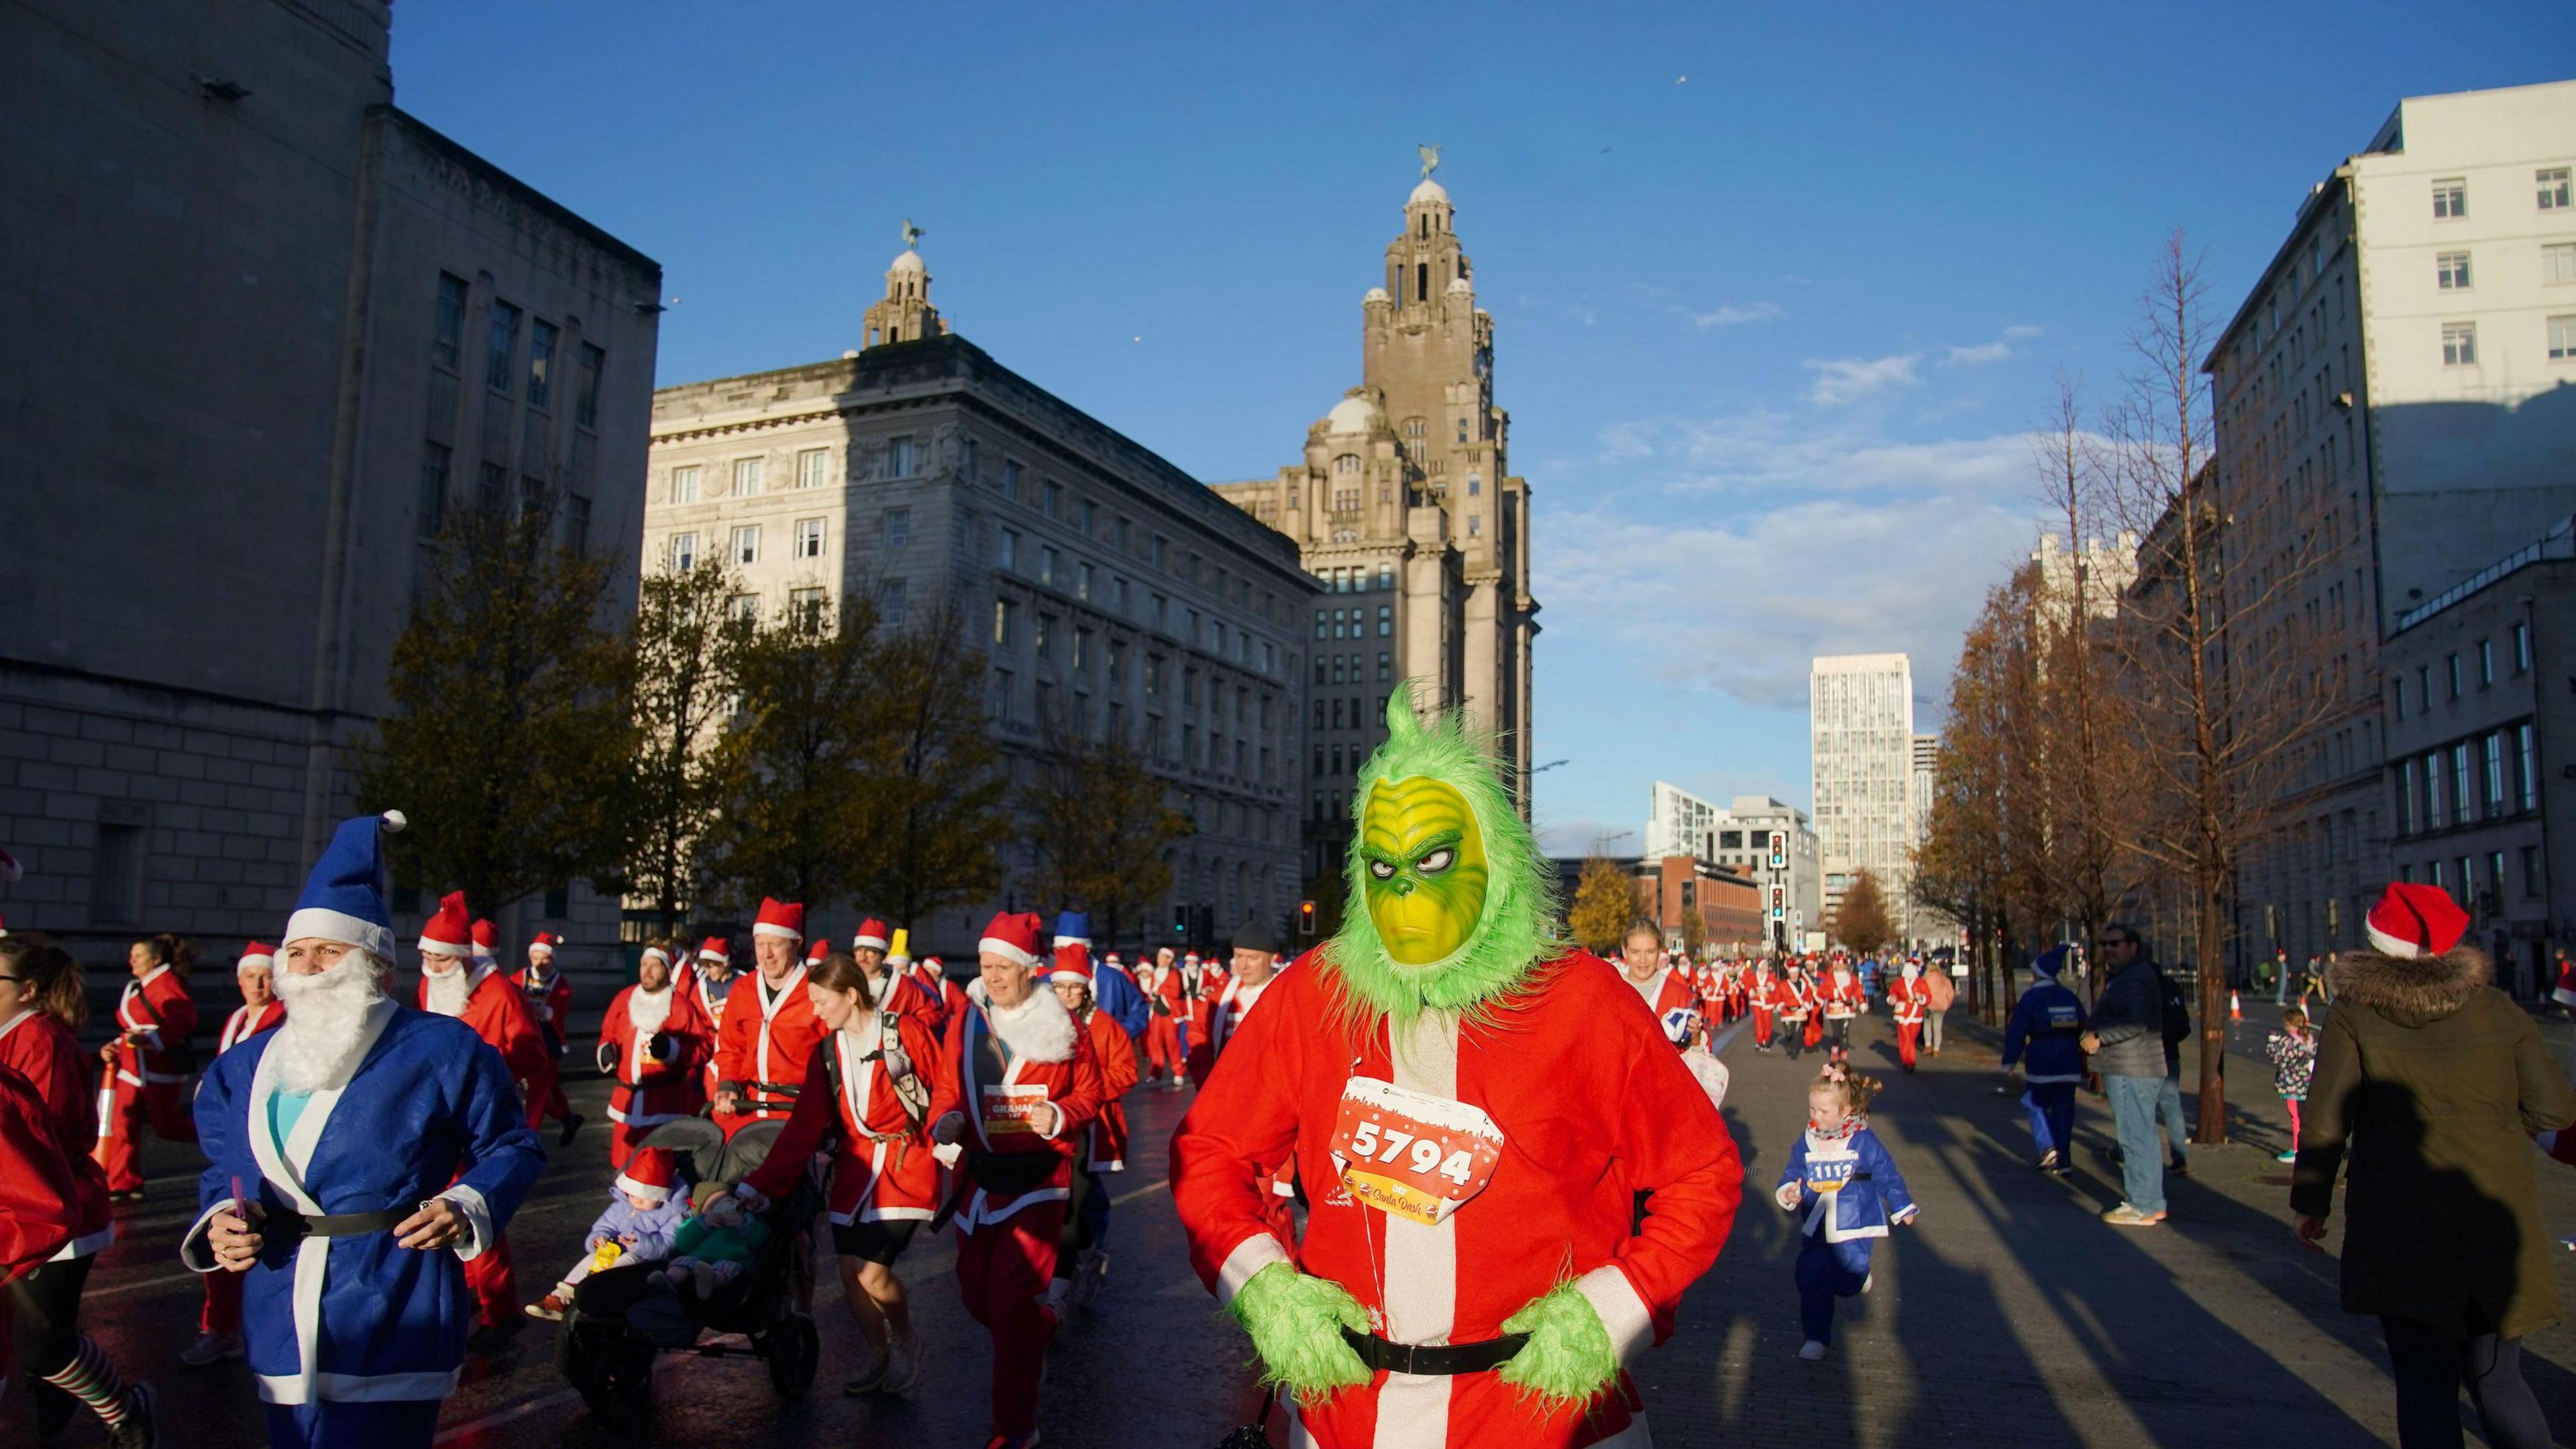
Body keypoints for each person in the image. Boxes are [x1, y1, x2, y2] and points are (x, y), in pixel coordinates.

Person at [1172, 690, 1741, 1448]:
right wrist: (1263, 1286)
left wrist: (1611, 1312)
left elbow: (1699, 1173)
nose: (1404, 887)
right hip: (1348, 1412)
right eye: (1382, 865)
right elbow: (1209, 1152)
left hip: (1537, 1413)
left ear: (1493, 860)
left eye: (1433, 859)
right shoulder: (1313, 999)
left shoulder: (1580, 1001)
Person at [184, 811, 547, 1449]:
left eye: (329, 950)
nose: (310, 966)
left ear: (374, 960)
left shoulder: (442, 1048)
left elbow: (511, 1144)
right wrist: (220, 1216)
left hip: (393, 1298)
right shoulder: (241, 1067)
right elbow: (224, 1166)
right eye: (296, 953)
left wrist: (466, 1205)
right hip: (279, 1305)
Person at [2294, 882, 2574, 1449]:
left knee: (2425, 1388)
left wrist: (2311, 1204)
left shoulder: (2355, 1012)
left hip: (2401, 1226)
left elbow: (2325, 1122)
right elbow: (2555, 1108)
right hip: (2493, 1219)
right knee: (2499, 1379)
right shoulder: (2497, 1008)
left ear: (2378, 947)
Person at [925, 910, 1106, 1449]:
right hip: (978, 1182)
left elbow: (1091, 1093)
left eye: (1005, 967)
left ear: (1031, 969)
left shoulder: (1065, 1027)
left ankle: (1015, 1429)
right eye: (987, 966)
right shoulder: (966, 1018)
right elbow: (943, 1085)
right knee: (978, 1301)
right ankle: (1038, 1326)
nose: (995, 976)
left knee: (1007, 1307)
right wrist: (945, 1119)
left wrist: (1061, 1114)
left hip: (1038, 1186)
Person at [733, 947, 944, 1396]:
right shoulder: (827, 1051)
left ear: (851, 994)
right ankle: (878, 1353)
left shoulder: (904, 1032)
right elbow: (803, 1129)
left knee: (872, 1272)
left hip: (907, 1165)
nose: (814, 1010)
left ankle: (907, 1341)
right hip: (855, 1170)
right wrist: (760, 1185)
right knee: (848, 1271)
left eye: (821, 1001)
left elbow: (945, 1089)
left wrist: (958, 1143)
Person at [0, 934, 152, 1446]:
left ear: (29, 989)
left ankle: (126, 1412)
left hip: (54, 1212)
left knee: (43, 1342)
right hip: (18, 1211)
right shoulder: (13, 1033)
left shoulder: (42, 1040)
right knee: (31, 1341)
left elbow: (47, 1142)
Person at [414, 891, 550, 1340]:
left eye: (438, 960)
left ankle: (501, 1310)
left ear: (459, 959)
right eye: (426, 958)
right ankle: (474, 1290)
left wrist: (490, 1069)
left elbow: (533, 1054)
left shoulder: (500, 995)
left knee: (475, 1211)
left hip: (482, 1121)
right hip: (437, 1117)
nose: (430, 969)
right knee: (442, 1210)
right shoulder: (430, 987)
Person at [184, 943, 289, 1368]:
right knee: (224, 1228)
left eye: (266, 976)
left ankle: (245, 1331)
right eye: (250, 977)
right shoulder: (236, 1019)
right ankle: (221, 1328)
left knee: (259, 1240)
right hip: (229, 1139)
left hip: (260, 1142)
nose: (258, 984)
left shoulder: (280, 1020)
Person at [1776, 1067, 1915, 1360]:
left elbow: (1886, 1173)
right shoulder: (1808, 1139)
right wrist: (1789, 1190)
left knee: (1848, 1274)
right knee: (1810, 1277)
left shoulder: (1862, 1139)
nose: (1817, 1117)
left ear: (1846, 1110)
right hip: (1816, 1221)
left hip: (1855, 1222)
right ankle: (1816, 1338)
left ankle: (1858, 1278)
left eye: (1824, 1111)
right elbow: (1793, 1171)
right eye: (1813, 1109)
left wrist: (1901, 1206)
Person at [1044, 938, 1139, 1311]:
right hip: (1053, 1129)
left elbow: (1128, 1071)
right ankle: (1075, 1262)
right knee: (1061, 1200)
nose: (1067, 994)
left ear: (1086, 989)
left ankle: (1079, 1265)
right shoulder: (1044, 1022)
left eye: (1074, 987)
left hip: (1093, 1125)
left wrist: (1092, 1090)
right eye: (1060, 987)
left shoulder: (1104, 1025)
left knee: (1081, 1199)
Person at [95, 932, 201, 1201]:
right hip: (131, 1066)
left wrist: (152, 1040)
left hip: (159, 1068)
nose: (132, 960)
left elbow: (184, 1019)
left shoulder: (167, 984)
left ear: (156, 959)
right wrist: (116, 1046)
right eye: (132, 955)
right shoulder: (136, 986)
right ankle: (123, 1181)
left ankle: (218, 1135)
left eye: (138, 955)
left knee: (166, 1126)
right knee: (122, 1122)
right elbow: (131, 1027)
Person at [526, 1148, 688, 1320]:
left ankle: (587, 1286)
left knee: (626, 1261)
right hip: (614, 1250)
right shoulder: (622, 1206)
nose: (637, 1202)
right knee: (592, 1258)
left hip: (645, 1259)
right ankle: (559, 1298)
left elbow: (669, 1243)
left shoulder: (674, 1214)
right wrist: (600, 1237)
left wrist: (640, 1243)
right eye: (633, 1196)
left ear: (661, 1197)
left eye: (645, 1198)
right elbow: (606, 1224)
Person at [596, 941, 713, 1169]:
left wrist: (672, 1050)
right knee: (622, 1168)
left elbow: (703, 1048)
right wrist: (606, 1051)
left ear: (667, 971)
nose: (647, 971)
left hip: (663, 1105)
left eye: (655, 966)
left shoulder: (680, 1005)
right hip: (627, 1104)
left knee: (656, 1171)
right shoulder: (624, 999)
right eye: (644, 964)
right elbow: (608, 1033)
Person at [712, 899, 824, 1134]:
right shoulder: (744, 989)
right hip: (748, 1108)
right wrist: (729, 1084)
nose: (767, 954)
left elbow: (835, 1056)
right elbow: (732, 1046)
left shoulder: (818, 990)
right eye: (760, 944)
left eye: (776, 944)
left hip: (799, 1112)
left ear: (796, 944)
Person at [2082, 924, 2169, 1226]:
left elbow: (2136, 1022)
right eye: (2105, 943)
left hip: (2132, 1066)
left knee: (2134, 1135)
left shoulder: (2133, 979)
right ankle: (2151, 1201)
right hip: (2132, 1065)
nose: (2108, 949)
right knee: (2140, 1134)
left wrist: (2099, 1037)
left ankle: (2142, 1205)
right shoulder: (2128, 976)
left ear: (2133, 946)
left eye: (2115, 943)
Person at [2001, 945, 2086, 1175]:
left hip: (2041, 1061)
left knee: (2034, 1102)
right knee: (2064, 1110)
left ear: (2037, 974)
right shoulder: (2068, 996)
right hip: (2068, 1062)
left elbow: (2017, 1029)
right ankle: (2064, 1158)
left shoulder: (2032, 998)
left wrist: (2010, 1059)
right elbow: (2083, 1026)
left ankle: (2048, 1146)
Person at [510, 928, 582, 1148]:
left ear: (552, 959)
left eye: (545, 958)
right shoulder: (519, 977)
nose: (540, 963)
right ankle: (568, 1118)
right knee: (548, 1087)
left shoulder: (560, 984)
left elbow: (558, 1011)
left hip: (548, 1041)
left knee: (538, 1091)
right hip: (523, 1038)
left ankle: (527, 1138)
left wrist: (540, 1010)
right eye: (536, 957)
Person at [1617, 922, 1703, 1051]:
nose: (1643, 960)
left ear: (1660, 951)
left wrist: (1695, 1037)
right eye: (1635, 952)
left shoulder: (1679, 993)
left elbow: (1697, 1055)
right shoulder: (1610, 991)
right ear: (1624, 951)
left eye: (1650, 952)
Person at [680, 936, 737, 1102]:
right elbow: (696, 1020)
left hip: (737, 1044)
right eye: (705, 966)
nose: (707, 971)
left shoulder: (742, 981)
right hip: (712, 1050)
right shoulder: (701, 988)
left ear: (725, 963)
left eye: (712, 966)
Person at [2266, 1006, 2316, 1165]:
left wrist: (2272, 1041)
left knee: (2296, 1118)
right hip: (2307, 1086)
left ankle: (2297, 1150)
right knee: (2305, 1117)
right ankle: (2308, 1147)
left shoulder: (2288, 1042)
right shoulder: (2309, 1039)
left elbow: (2274, 1056)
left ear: (2288, 1024)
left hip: (2292, 1087)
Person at [1140, 947, 1187, 1087]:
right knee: (1156, 1043)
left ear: (1169, 959)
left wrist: (1159, 990)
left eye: (1161, 957)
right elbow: (1151, 990)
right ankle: (1155, 1072)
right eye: (1159, 956)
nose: (1159, 959)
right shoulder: (1156, 973)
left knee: (1172, 1043)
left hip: (1170, 1014)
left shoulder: (1174, 974)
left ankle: (1178, 1072)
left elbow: (1176, 992)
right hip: (1157, 1013)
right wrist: (1153, 994)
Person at [1886, 959, 1929, 1071]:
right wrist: (1892, 999)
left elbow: (1928, 997)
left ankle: (1908, 1058)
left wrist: (1922, 998)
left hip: (1916, 1012)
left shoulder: (1921, 982)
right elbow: (1892, 993)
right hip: (1902, 1012)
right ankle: (1909, 1061)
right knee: (1905, 1037)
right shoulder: (1899, 982)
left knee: (1911, 1037)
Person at [1819, 956, 1863, 1062]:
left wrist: (1862, 1002)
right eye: (1838, 964)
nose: (1840, 966)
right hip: (1834, 1009)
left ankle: (1843, 1053)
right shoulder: (1829, 978)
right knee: (1836, 1033)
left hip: (1847, 1009)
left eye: (1843, 964)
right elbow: (1821, 992)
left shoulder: (1851, 977)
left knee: (1844, 1032)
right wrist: (1832, 994)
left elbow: (1858, 990)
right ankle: (1835, 1049)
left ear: (1845, 965)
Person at [1922, 955, 1955, 1057]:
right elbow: (1951, 993)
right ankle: (1936, 1049)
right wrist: (1947, 1003)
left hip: (1928, 1005)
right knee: (1937, 1027)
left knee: (1927, 1025)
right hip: (1941, 1005)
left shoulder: (1925, 979)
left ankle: (1928, 1045)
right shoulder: (1944, 979)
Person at [1750, 959, 1779, 1052]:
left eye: (1767, 966)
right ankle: (1759, 1042)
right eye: (1765, 965)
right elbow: (1749, 987)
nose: (1767, 967)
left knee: (1767, 1023)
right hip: (1757, 1002)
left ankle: (1766, 1040)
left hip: (1768, 1003)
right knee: (1759, 1023)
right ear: (1760, 967)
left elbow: (1776, 989)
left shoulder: (1771, 976)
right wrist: (1752, 991)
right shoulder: (1753, 977)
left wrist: (1771, 988)